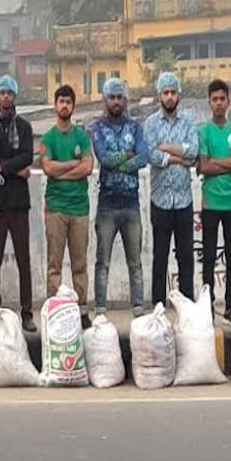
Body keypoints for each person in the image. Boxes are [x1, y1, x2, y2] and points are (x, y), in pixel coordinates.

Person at [89, 78, 149, 316]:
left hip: (131, 204)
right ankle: (101, 309)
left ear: (125, 100)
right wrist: (128, 154)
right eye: (111, 97)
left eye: (120, 97)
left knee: (135, 263)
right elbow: (103, 158)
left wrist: (122, 163)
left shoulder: (136, 127)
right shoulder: (97, 128)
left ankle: (138, 307)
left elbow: (144, 157)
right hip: (107, 205)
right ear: (105, 100)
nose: (116, 101)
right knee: (102, 262)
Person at [0, 75, 36, 331]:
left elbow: (26, 155)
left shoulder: (24, 127)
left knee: (23, 258)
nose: (5, 97)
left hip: (18, 202)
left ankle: (26, 312)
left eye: (9, 93)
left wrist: (3, 167)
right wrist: (15, 167)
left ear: (14, 97)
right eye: (1, 92)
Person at [40, 85, 94, 329]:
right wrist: (73, 164)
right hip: (56, 208)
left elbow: (88, 167)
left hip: (79, 208)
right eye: (61, 101)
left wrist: (62, 170)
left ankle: (82, 310)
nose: (64, 106)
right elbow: (47, 168)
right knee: (55, 263)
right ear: (55, 105)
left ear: (73, 106)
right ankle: (54, 309)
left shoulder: (81, 136)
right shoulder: (48, 137)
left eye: (68, 102)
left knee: (80, 263)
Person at [144, 71, 198, 305]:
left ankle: (186, 304)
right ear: (159, 96)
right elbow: (151, 154)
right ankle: (158, 305)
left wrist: (167, 147)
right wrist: (177, 156)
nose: (169, 97)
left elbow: (194, 151)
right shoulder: (151, 123)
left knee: (186, 256)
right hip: (160, 200)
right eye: (165, 93)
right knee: (160, 257)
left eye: (173, 92)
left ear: (179, 95)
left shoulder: (188, 121)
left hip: (184, 200)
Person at [197, 80, 231, 325]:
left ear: (228, 101)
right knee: (209, 256)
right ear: (209, 102)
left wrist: (218, 163)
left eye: (222, 99)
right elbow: (203, 165)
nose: (218, 103)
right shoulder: (203, 131)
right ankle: (207, 306)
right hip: (211, 203)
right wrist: (227, 163)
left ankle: (230, 306)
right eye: (214, 99)